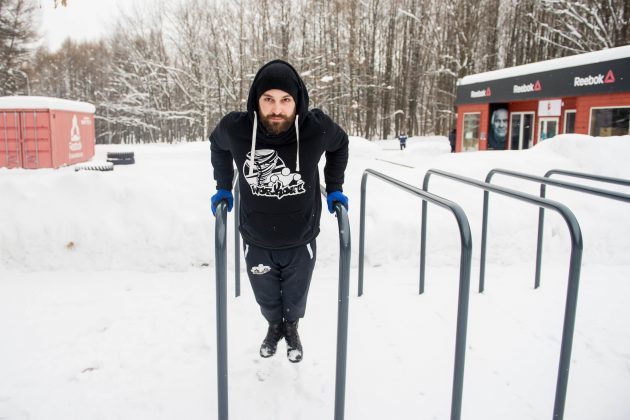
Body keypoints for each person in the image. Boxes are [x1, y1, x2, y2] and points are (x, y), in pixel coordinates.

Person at [209, 60, 349, 363]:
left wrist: (334, 186)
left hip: (302, 238)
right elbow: (216, 144)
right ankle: (274, 326)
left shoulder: (316, 128)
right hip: (256, 238)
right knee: (266, 296)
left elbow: (341, 145)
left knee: (296, 297)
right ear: (256, 101)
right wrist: (223, 185)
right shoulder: (236, 128)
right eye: (268, 99)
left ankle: (292, 327)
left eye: (286, 100)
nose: (277, 109)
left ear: (297, 101)